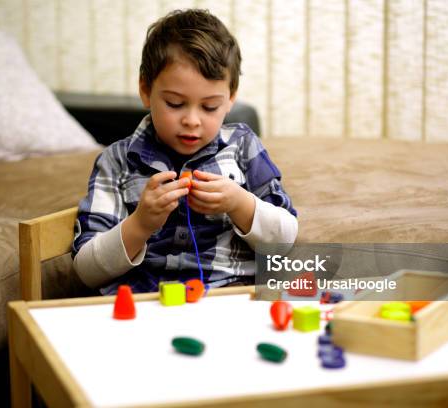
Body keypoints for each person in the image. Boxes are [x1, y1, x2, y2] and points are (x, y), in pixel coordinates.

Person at [72, 8, 297, 295]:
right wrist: (140, 224)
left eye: (210, 107)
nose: (192, 120)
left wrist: (240, 203)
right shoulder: (116, 161)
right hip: (145, 305)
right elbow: (86, 271)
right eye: (175, 104)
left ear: (230, 98)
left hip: (229, 297)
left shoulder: (242, 146)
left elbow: (286, 241)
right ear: (145, 89)